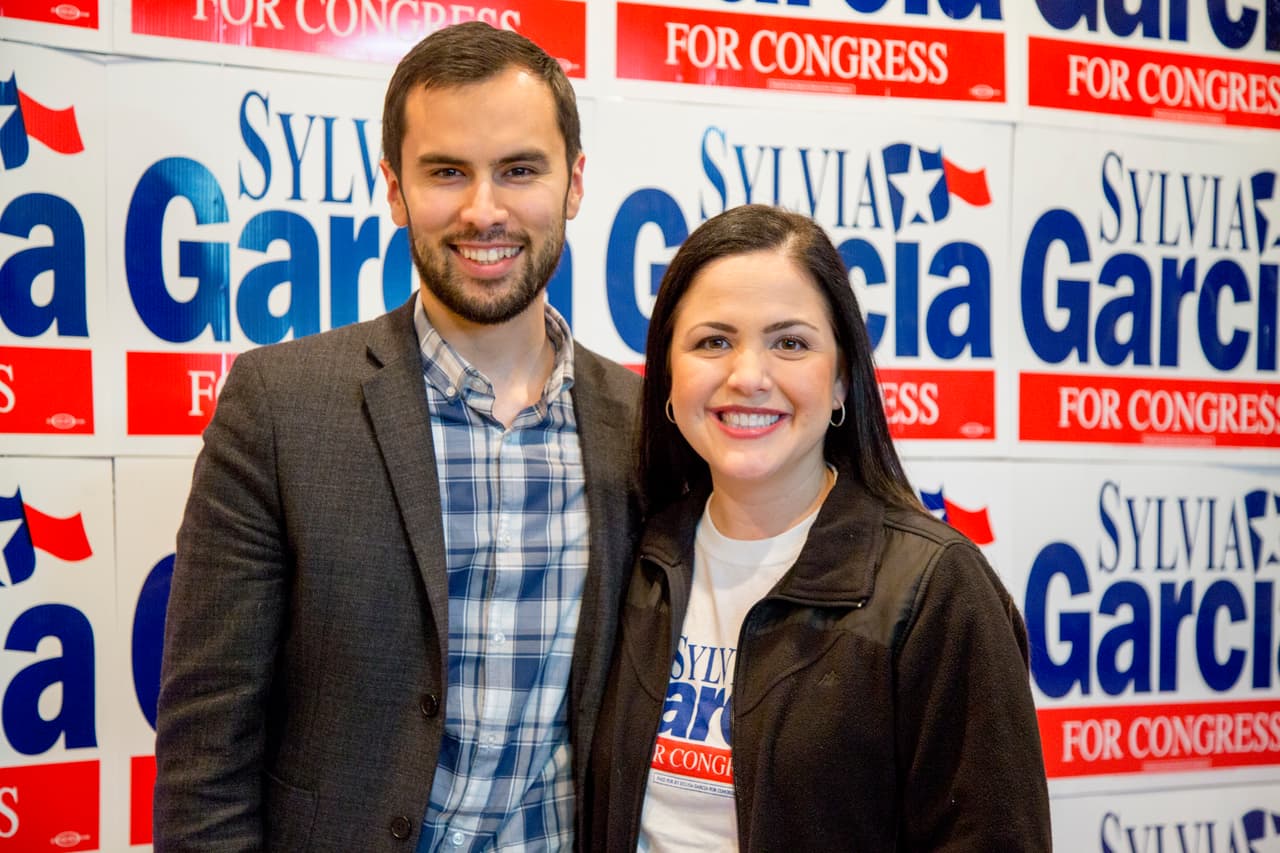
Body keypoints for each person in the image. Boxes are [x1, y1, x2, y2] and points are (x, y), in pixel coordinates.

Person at [153, 22, 640, 852]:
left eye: (519, 170)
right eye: (447, 172)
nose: (483, 210)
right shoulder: (280, 405)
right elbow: (207, 753)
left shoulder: (640, 424)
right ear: (395, 188)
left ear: (574, 183)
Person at [584, 204, 1052, 851]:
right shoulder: (638, 553)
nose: (748, 376)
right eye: (712, 340)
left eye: (791, 342)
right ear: (668, 374)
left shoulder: (935, 588)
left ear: (840, 381)